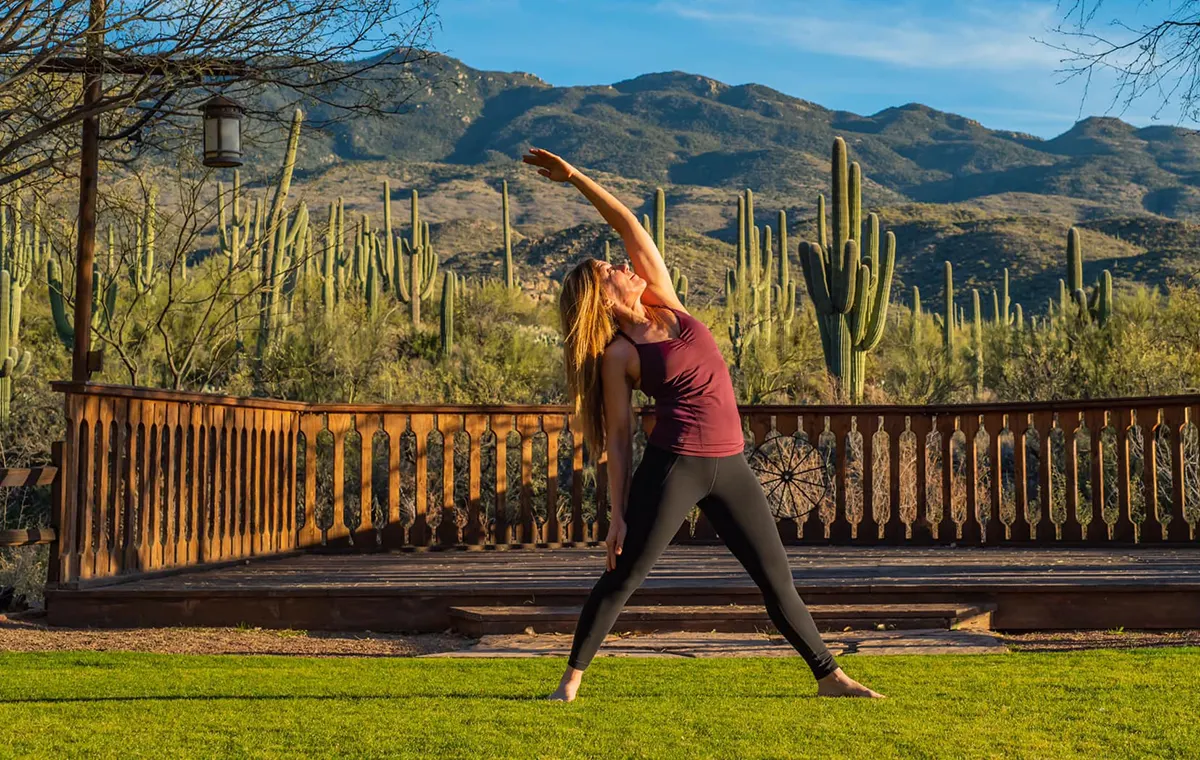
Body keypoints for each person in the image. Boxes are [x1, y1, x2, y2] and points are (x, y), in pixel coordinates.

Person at [521, 147, 885, 702]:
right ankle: (569, 682)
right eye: (611, 270)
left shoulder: (665, 300)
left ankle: (830, 677)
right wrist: (617, 514)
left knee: (775, 578)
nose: (623, 266)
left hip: (731, 464)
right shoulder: (619, 356)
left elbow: (628, 223)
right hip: (676, 468)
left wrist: (574, 178)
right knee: (625, 577)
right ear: (603, 297)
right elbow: (618, 439)